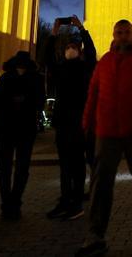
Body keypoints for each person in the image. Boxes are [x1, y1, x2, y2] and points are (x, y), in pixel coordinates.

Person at [77, 20, 132, 256]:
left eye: (127, 32)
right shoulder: (105, 61)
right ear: (114, 35)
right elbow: (93, 92)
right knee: (100, 182)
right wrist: (87, 121)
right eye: (119, 32)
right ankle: (96, 233)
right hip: (107, 131)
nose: (123, 36)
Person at [47, 25, 97, 220]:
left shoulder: (86, 69)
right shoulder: (59, 69)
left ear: (79, 51)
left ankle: (76, 203)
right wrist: (53, 33)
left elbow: (91, 53)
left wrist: (82, 29)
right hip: (62, 123)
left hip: (78, 123)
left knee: (76, 165)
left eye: (74, 47)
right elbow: (47, 59)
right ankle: (64, 200)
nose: (70, 49)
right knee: (65, 165)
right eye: (67, 47)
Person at [0, 50, 45, 220]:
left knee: (18, 169)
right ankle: (8, 204)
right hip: (10, 127)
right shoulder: (8, 78)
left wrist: (25, 101)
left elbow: (40, 101)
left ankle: (13, 202)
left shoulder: (30, 78)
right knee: (7, 169)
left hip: (21, 128)